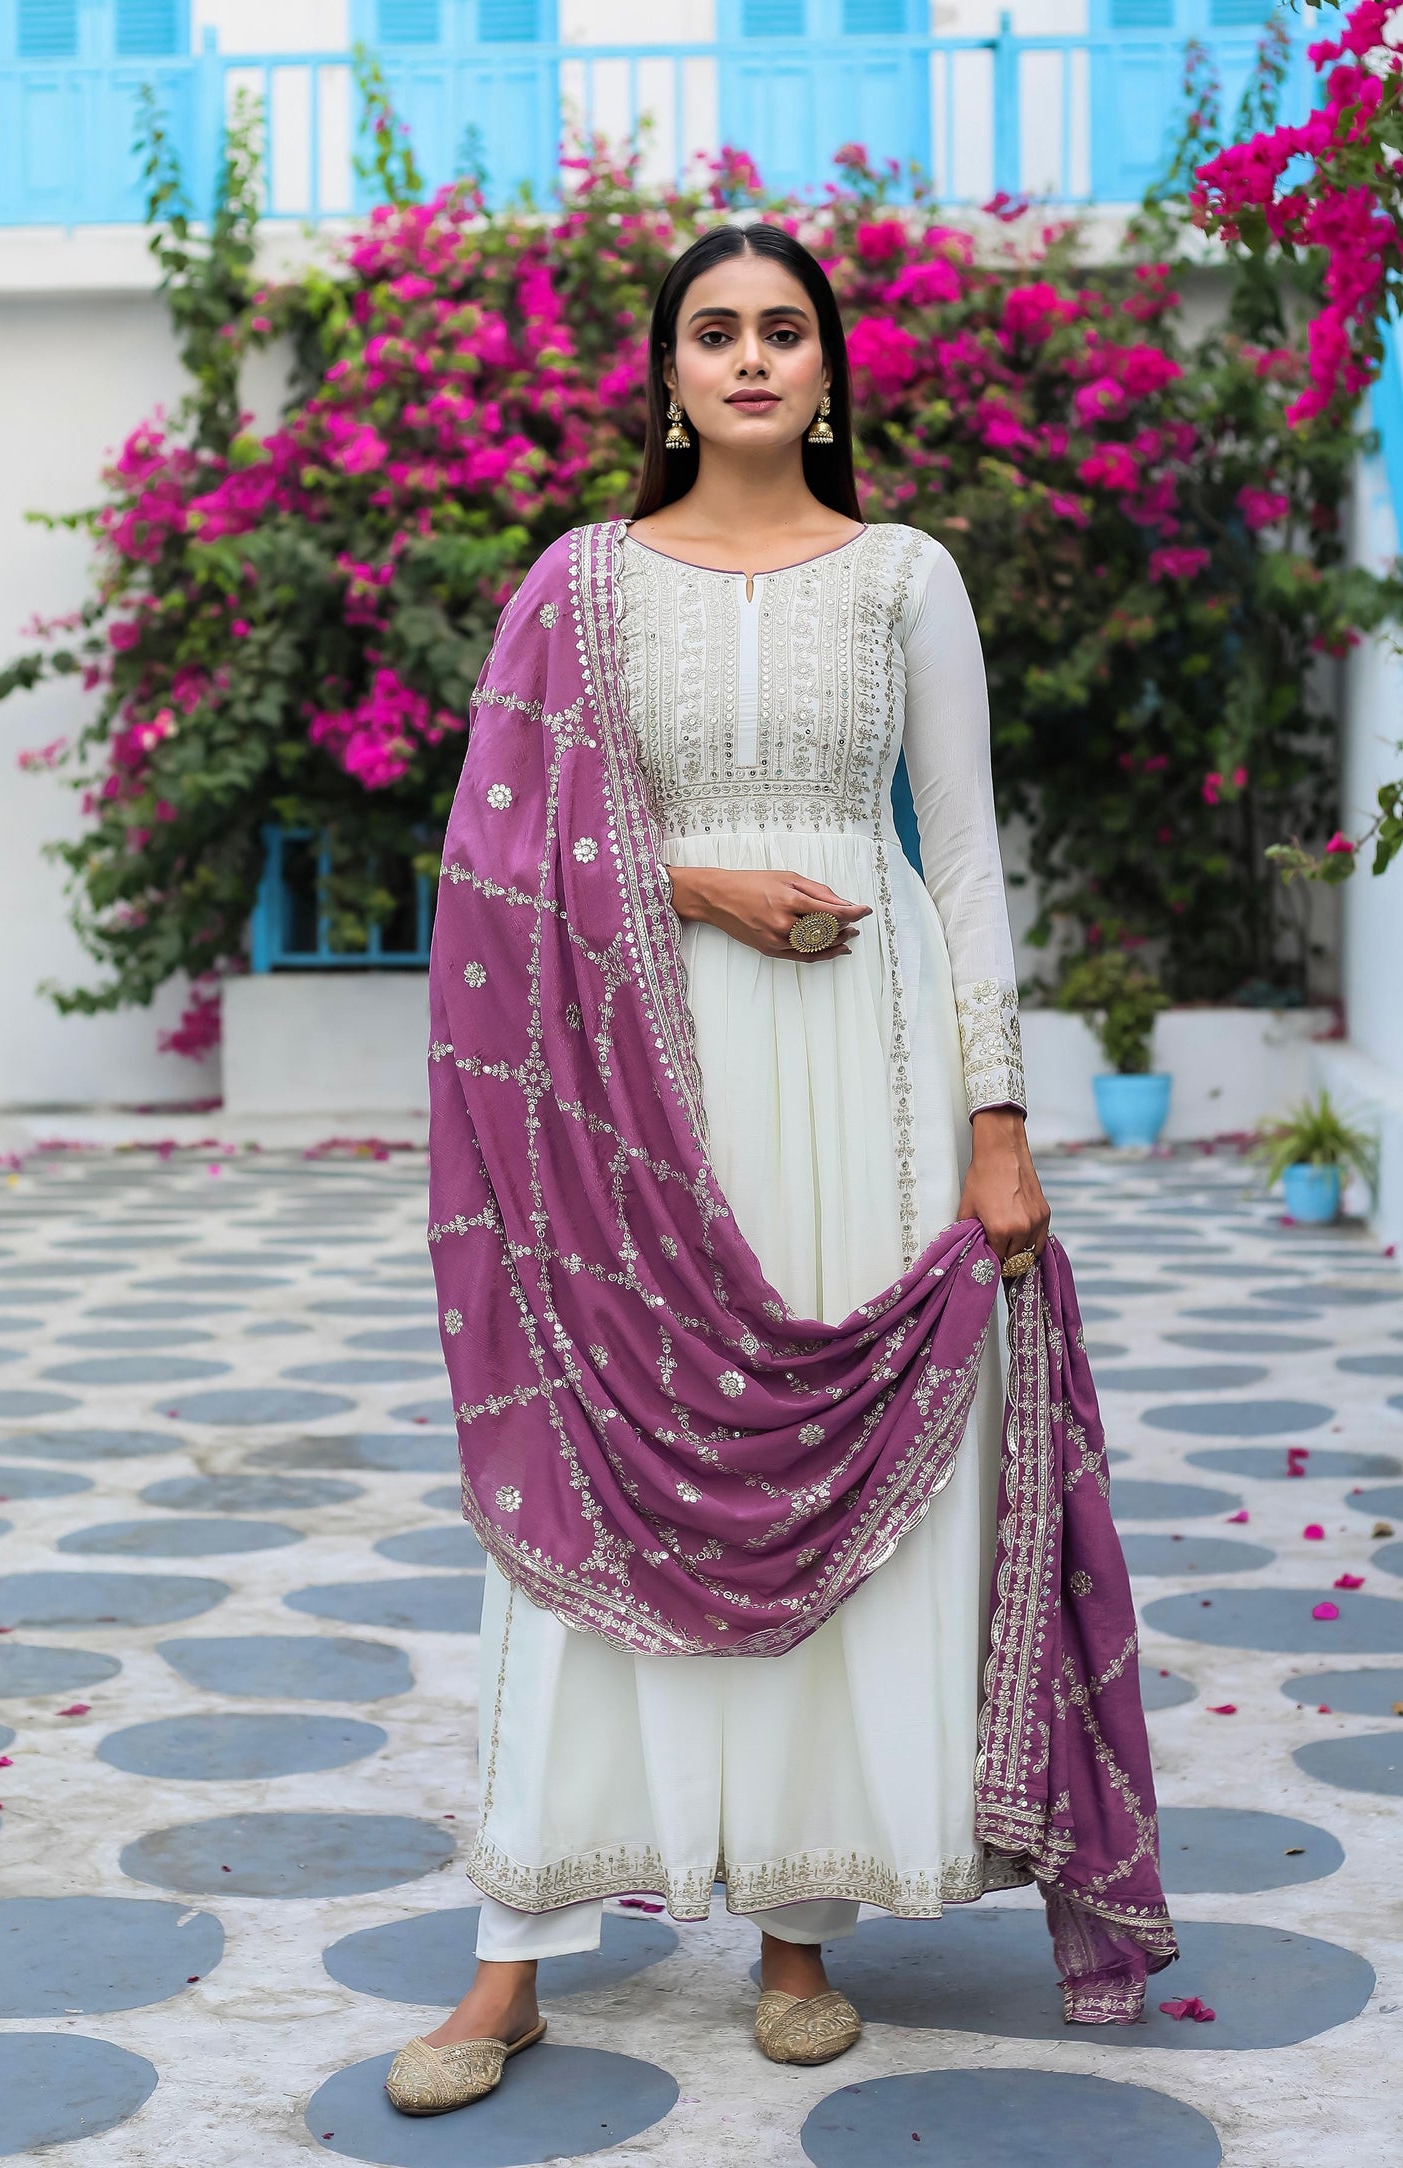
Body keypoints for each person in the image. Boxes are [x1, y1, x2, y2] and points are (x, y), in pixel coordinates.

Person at [389, 223, 1174, 2118]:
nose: (751, 357)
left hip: (876, 1065)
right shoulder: (578, 588)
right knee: (608, 1464)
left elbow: (971, 860)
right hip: (631, 1088)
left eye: (785, 331)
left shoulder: (906, 578)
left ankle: (799, 1925)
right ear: (667, 374)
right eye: (715, 331)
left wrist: (998, 1123)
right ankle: (515, 1952)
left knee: (847, 1493)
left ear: (829, 374)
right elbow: (501, 858)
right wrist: (687, 882)